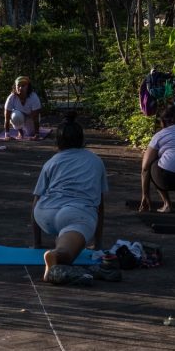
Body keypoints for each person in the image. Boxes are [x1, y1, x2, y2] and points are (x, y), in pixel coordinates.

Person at [32, 114, 110, 285]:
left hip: (44, 213)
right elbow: (100, 205)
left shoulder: (51, 162)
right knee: (67, 251)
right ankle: (57, 256)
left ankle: (57, 248)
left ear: (58, 143)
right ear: (82, 140)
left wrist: (37, 243)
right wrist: (97, 244)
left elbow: (35, 200)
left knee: (66, 231)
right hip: (76, 213)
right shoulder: (95, 161)